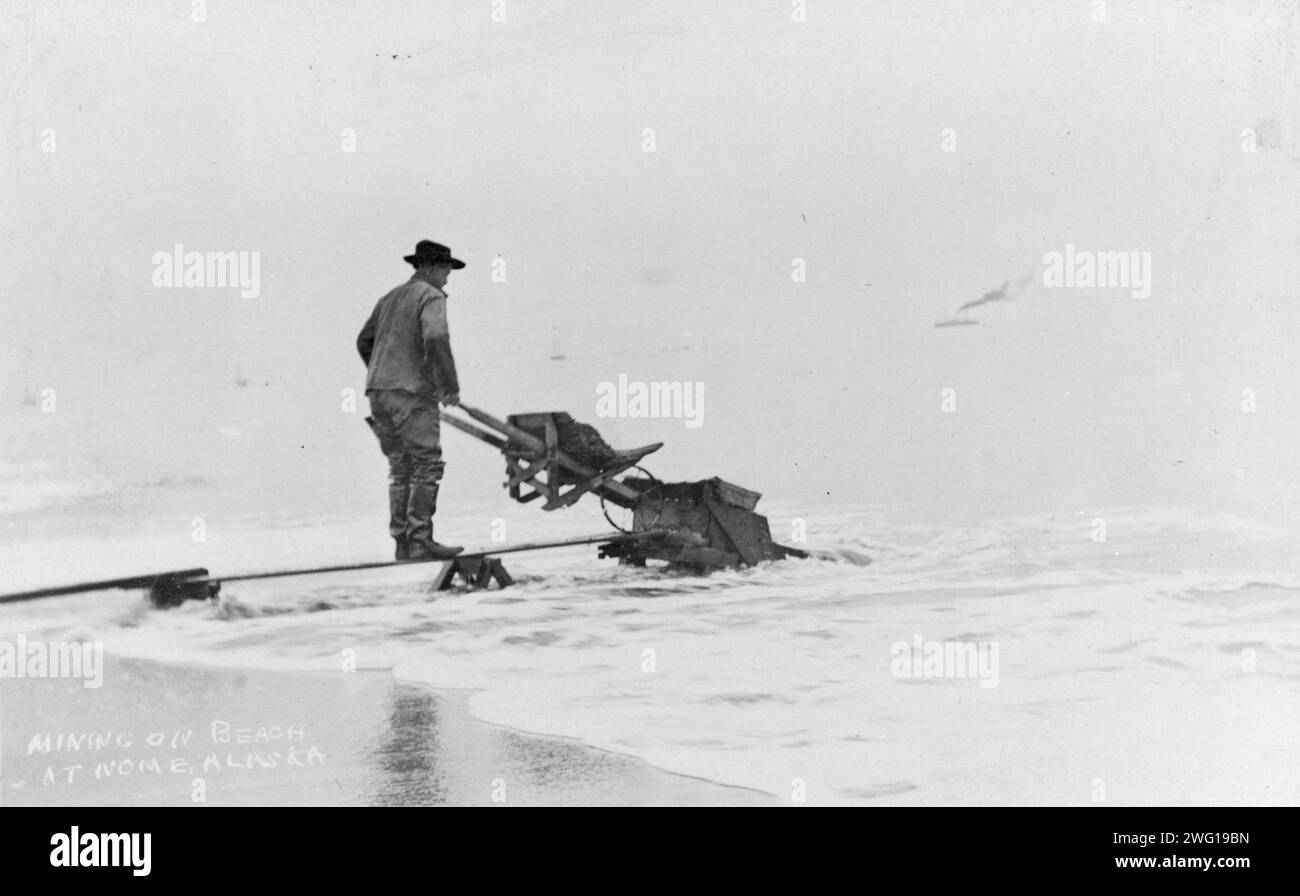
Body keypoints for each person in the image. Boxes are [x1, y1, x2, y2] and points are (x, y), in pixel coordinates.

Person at [357, 240, 466, 560]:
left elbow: (364, 341)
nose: (448, 277)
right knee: (426, 463)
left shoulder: (390, 297)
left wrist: (386, 372)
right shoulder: (430, 295)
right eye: (447, 269)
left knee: (400, 467)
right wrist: (448, 387)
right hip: (413, 395)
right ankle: (420, 541)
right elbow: (435, 337)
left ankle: (403, 545)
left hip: (378, 392)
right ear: (432, 268)